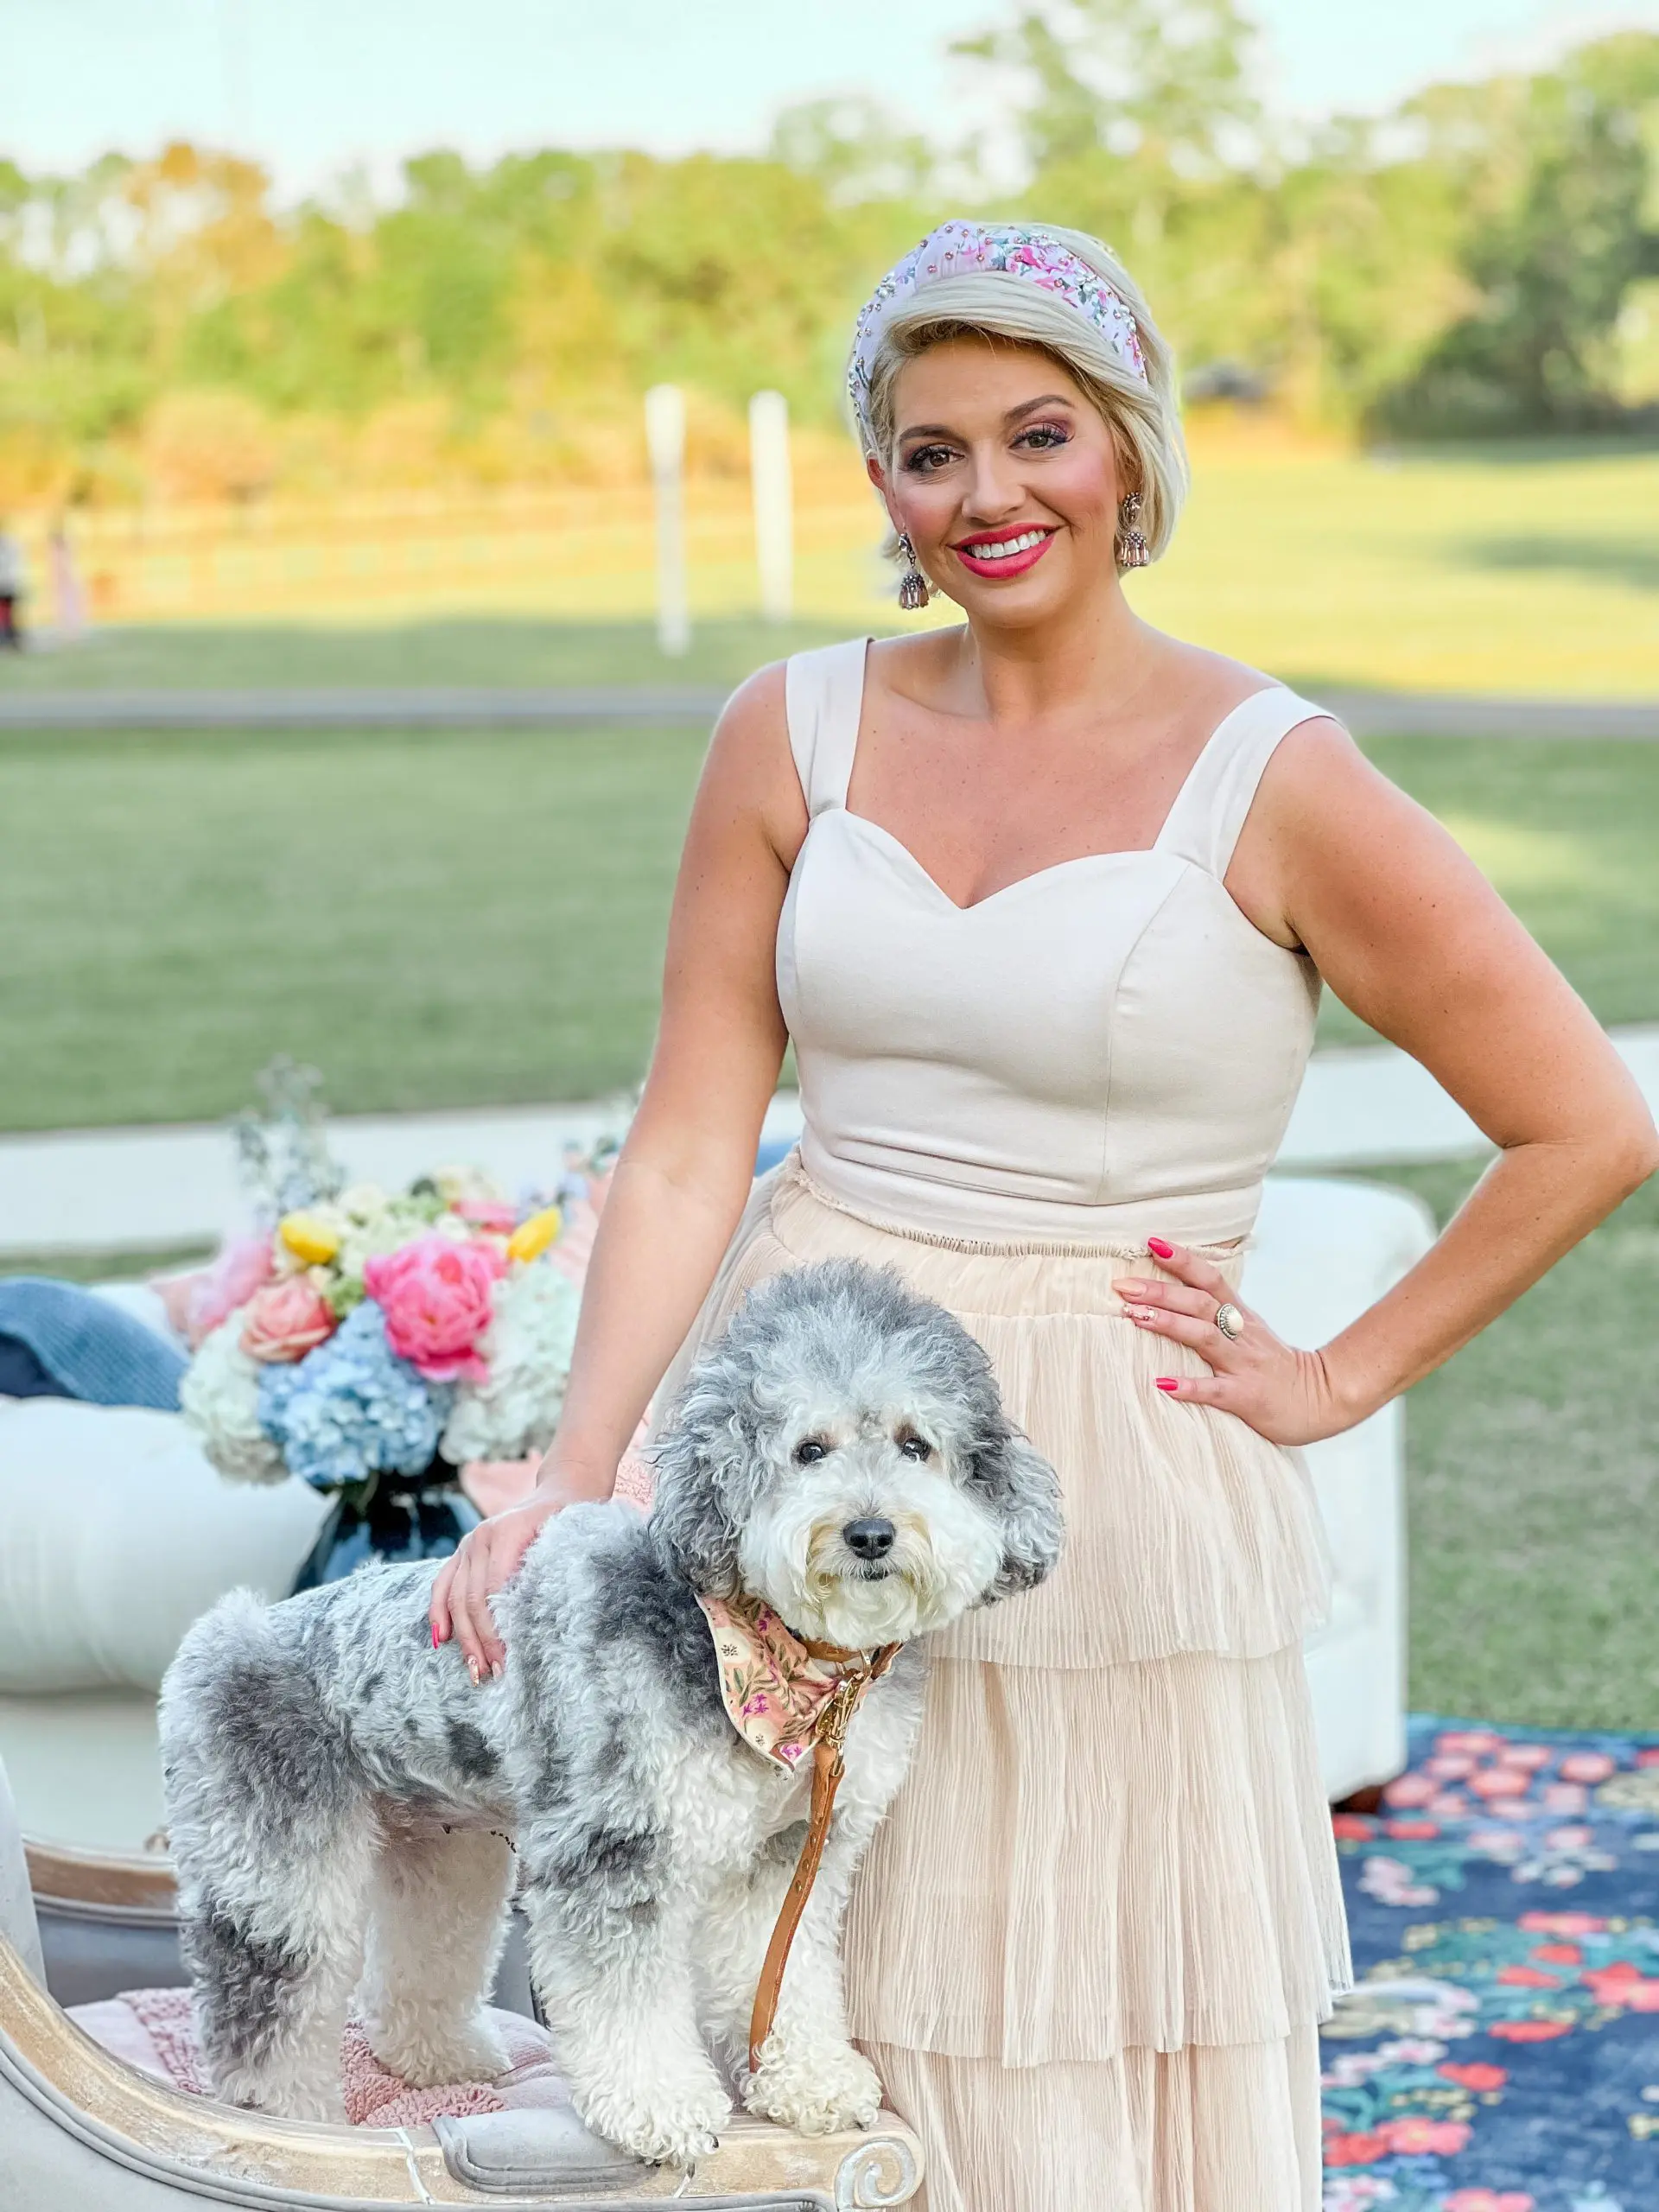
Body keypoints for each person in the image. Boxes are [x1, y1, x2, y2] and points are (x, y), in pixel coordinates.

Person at [429, 221, 1656, 2210]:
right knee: (763, 1958)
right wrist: (579, 1462)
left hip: (1100, 1469)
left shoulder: (1284, 776)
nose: (987, 495)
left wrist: (1340, 1372)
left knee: (1058, 2003)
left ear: (1133, 453)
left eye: (1038, 434)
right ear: (885, 488)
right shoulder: (789, 727)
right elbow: (683, 1139)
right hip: (789, 1417)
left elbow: (1585, 1124)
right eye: (931, 452)